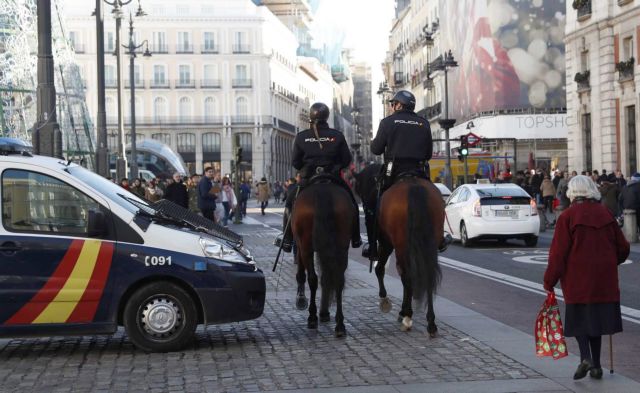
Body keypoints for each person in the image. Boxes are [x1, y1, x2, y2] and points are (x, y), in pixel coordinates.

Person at [544, 175, 629, 381]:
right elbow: (624, 247)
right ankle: (597, 366)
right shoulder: (605, 214)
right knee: (597, 321)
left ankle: (585, 358)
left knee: (580, 318)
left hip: (577, 277)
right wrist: (610, 262)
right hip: (604, 279)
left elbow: (558, 253)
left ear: (572, 193)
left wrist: (549, 280)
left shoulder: (568, 216)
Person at [364, 89, 446, 258]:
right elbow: (428, 153)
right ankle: (440, 238)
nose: (392, 107)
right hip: (419, 171)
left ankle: (373, 245)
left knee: (372, 202)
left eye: (393, 104)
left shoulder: (387, 122)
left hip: (393, 171)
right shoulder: (424, 123)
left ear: (399, 105)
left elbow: (376, 149)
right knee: (436, 198)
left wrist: (375, 141)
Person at [275, 102, 362, 253]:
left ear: (310, 116)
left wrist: (306, 169)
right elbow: (346, 159)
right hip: (332, 177)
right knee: (352, 202)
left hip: (309, 179)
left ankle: (287, 239)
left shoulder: (302, 137)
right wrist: (335, 167)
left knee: (290, 201)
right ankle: (355, 237)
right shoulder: (337, 135)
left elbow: (295, 162)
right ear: (327, 116)